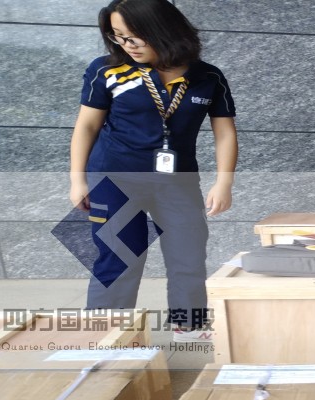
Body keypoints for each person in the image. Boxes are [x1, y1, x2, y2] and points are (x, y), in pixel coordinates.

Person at [69, 0, 238, 342]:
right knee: (119, 259)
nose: (127, 45)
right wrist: (77, 180)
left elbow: (225, 132)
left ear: (163, 30)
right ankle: (105, 336)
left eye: (134, 36)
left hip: (178, 182)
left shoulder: (207, 77)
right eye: (118, 36)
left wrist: (224, 183)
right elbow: (86, 126)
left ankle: (188, 329)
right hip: (115, 178)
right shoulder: (106, 71)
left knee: (188, 256)